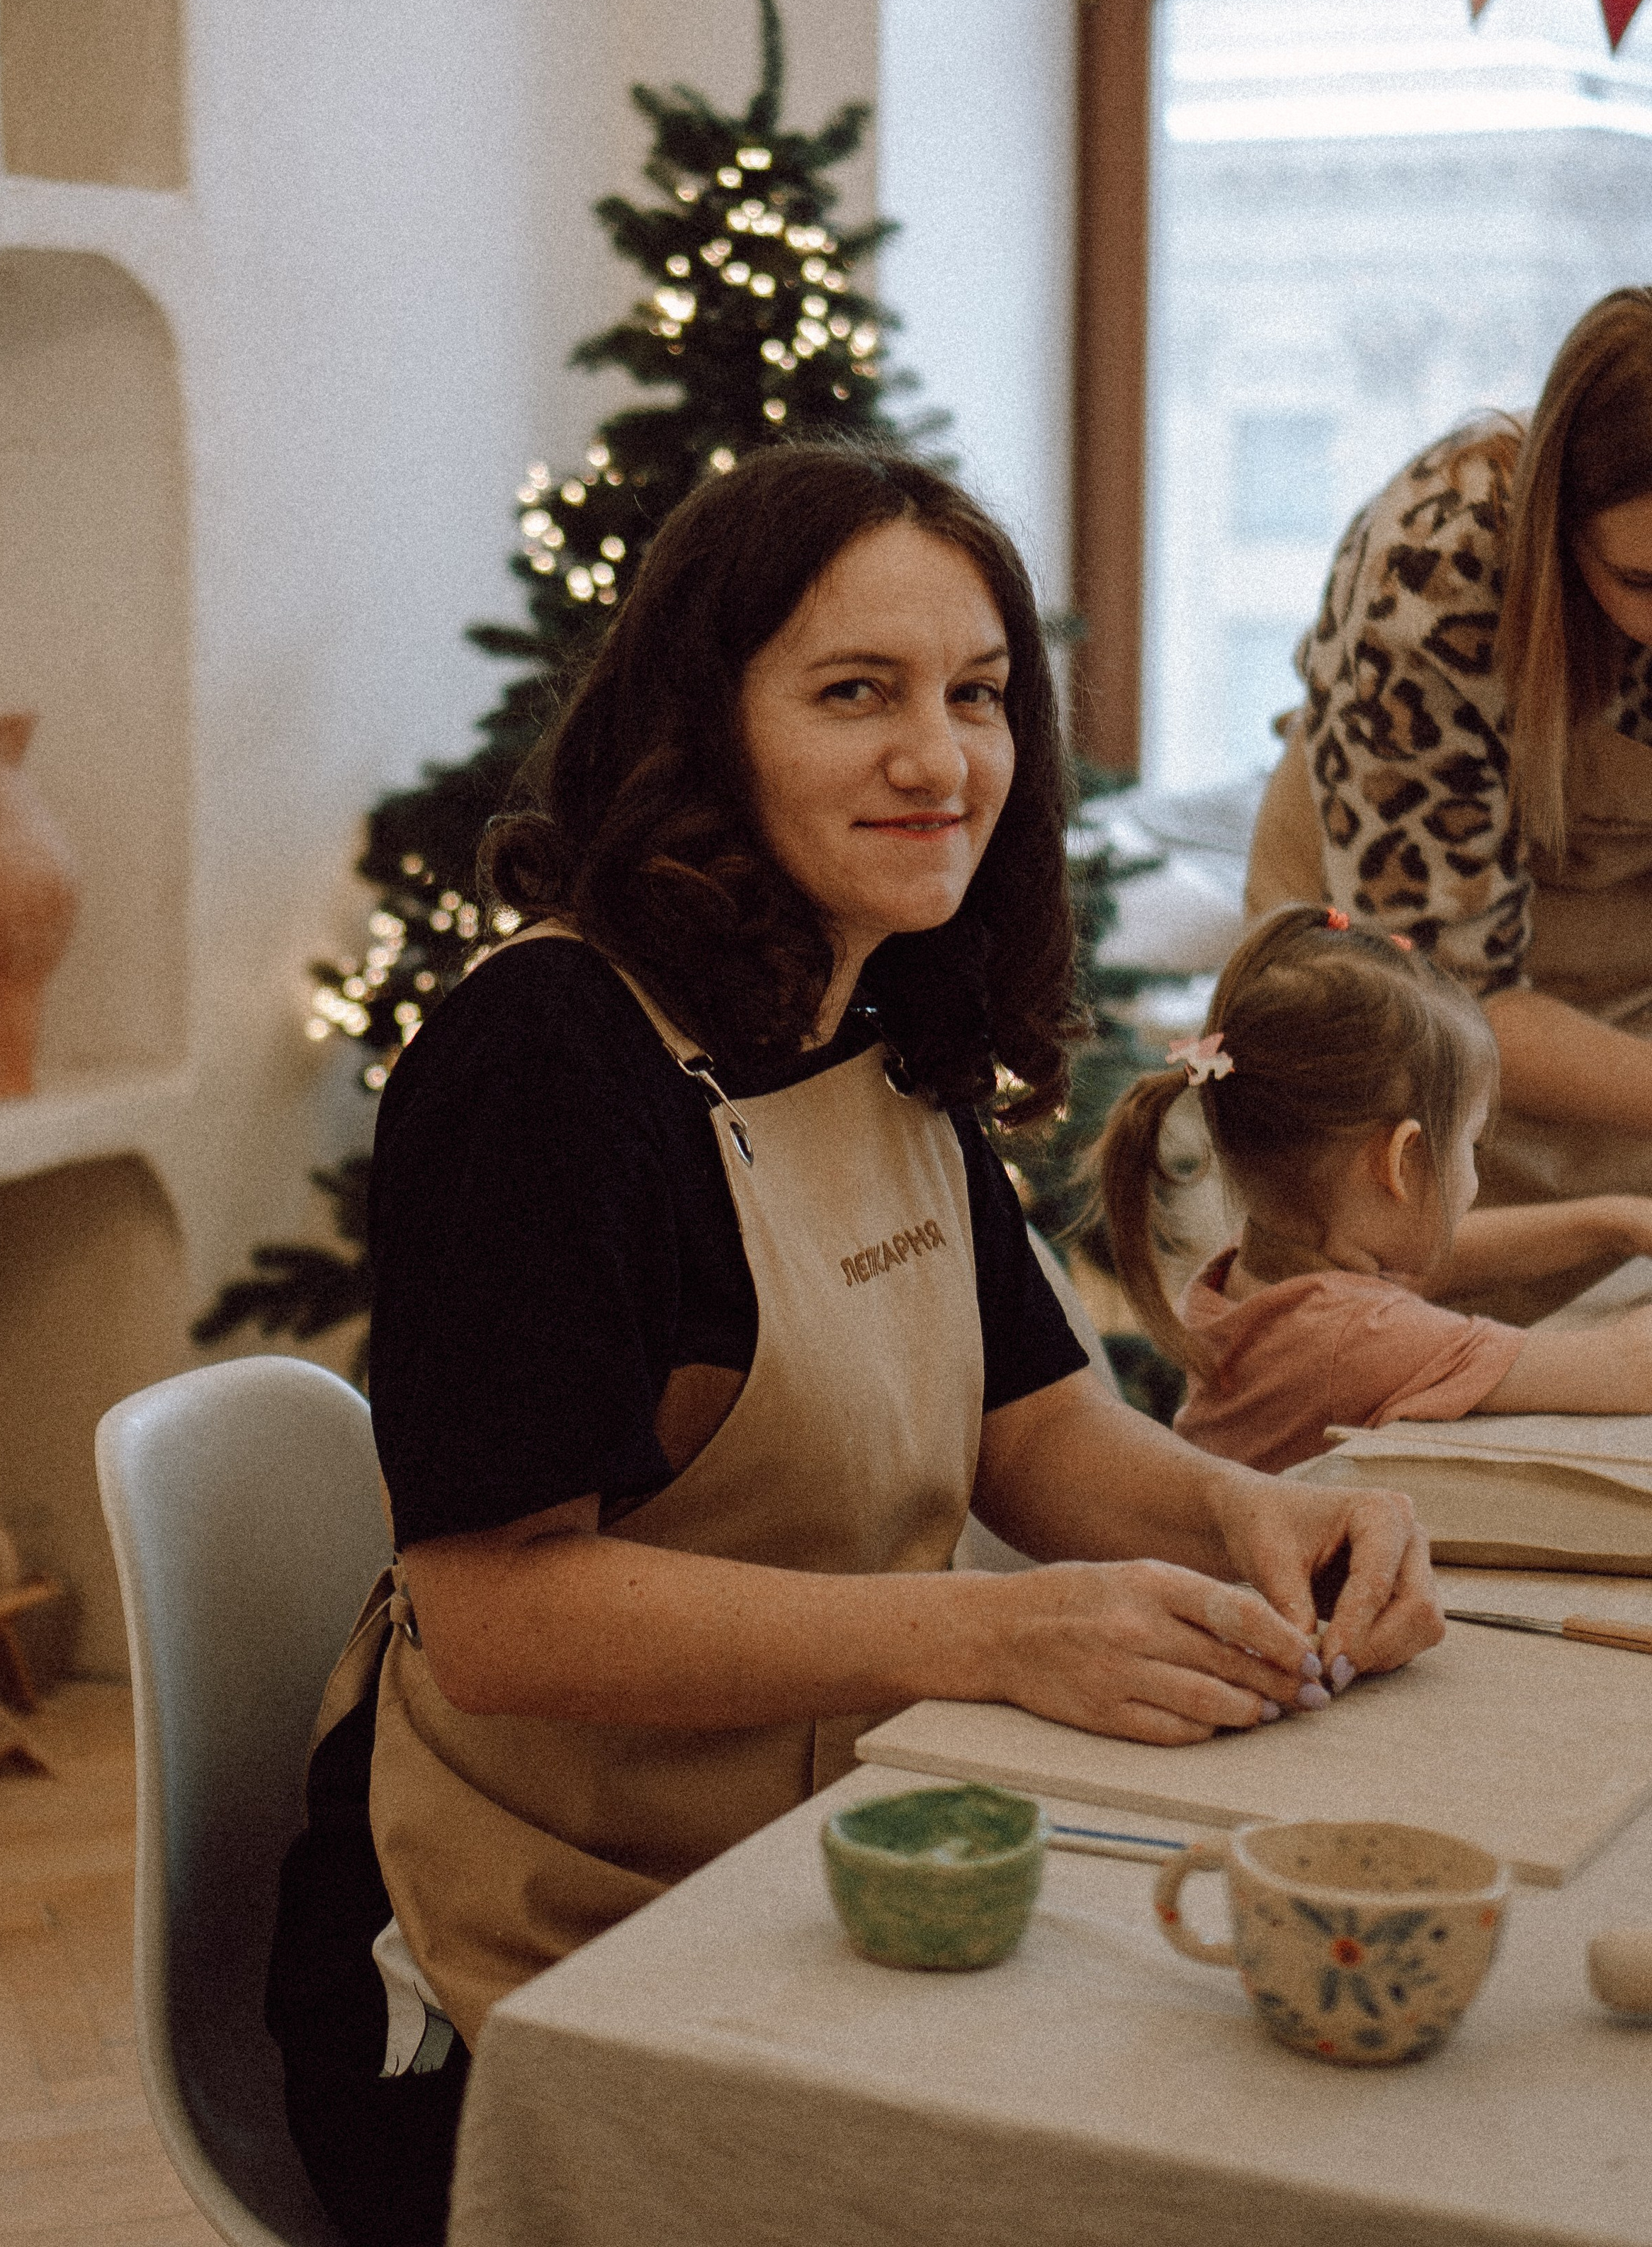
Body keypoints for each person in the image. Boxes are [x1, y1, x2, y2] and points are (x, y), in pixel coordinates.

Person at [268, 445, 1441, 2247]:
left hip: (805, 1870)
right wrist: (996, 1633)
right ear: (701, 723)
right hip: (515, 1985)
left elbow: (1031, 1429)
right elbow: (496, 1616)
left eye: (975, 694)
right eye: (853, 694)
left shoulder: (877, 1014)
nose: (938, 759)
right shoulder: (545, 1060)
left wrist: (1246, 1518)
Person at [1248, 285, 1652, 1322]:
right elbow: (1451, 990)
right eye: (1646, 584)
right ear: (1558, 531)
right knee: (1391, 1330)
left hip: (1616, 974)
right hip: (1408, 1007)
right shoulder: (1429, 573)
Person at [1097, 904, 1652, 1475]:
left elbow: (1431, 1266)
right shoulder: (1355, 1340)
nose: (1475, 1174)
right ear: (1399, 1162)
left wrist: (1615, 1222)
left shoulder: (1256, 1271)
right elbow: (1630, 1371)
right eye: (1471, 1144)